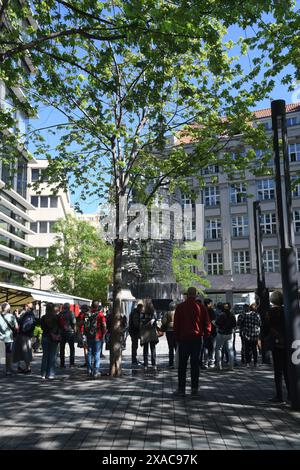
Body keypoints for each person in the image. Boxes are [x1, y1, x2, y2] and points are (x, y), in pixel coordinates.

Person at [173, 287, 211, 397]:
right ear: (195, 294)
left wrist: (176, 337)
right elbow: (207, 323)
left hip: (184, 339)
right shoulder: (201, 307)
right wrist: (206, 335)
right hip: (197, 339)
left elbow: (176, 324)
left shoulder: (180, 307)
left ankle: (181, 389)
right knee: (195, 365)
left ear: (187, 294)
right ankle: (194, 390)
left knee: (182, 365)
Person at [265, 291, 290, 404]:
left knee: (278, 371)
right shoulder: (287, 311)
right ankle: (291, 394)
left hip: (276, 344)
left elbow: (266, 328)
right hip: (288, 343)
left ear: (272, 300)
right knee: (287, 370)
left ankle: (279, 395)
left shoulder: (270, 312)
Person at [84, 304, 106, 378]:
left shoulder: (87, 314)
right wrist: (104, 332)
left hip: (89, 336)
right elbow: (103, 324)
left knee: (89, 352)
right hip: (97, 336)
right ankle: (96, 370)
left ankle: (89, 369)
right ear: (97, 307)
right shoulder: (100, 315)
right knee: (97, 353)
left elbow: (84, 324)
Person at [13, 303, 36, 373]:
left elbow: (24, 325)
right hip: (25, 335)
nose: (24, 307)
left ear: (29, 307)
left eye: (26, 306)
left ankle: (27, 367)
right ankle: (24, 367)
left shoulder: (29, 314)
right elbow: (21, 322)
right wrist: (17, 315)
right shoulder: (28, 314)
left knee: (25, 351)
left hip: (25, 335)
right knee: (23, 351)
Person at [40, 303, 60, 379]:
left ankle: (43, 374)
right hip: (54, 338)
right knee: (52, 356)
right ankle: (50, 374)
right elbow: (60, 327)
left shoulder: (43, 317)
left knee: (45, 356)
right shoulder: (57, 317)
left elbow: (42, 328)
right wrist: (57, 335)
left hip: (45, 337)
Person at [238, 303, 261, 368]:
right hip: (254, 334)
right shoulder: (257, 315)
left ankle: (247, 363)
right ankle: (255, 363)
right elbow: (260, 323)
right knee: (254, 349)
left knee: (247, 349)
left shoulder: (243, 315)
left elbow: (239, 323)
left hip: (246, 335)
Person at [215, 303, 236, 371]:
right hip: (229, 334)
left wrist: (214, 323)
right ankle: (231, 366)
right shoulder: (232, 315)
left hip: (221, 333)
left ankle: (219, 365)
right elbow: (234, 324)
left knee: (218, 349)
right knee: (230, 350)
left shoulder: (221, 315)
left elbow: (217, 323)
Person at [0, 302, 19, 376]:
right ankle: (8, 370)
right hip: (9, 338)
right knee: (8, 354)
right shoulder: (12, 316)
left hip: (0, 338)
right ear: (8, 308)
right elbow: (17, 328)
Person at [140, 301, 159, 371]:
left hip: (145, 333)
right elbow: (156, 321)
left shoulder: (142, 313)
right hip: (152, 332)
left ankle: (145, 364)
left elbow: (140, 322)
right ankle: (154, 364)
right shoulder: (154, 313)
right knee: (153, 349)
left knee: (145, 349)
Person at [58, 303, 76, 368]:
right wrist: (75, 330)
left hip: (62, 332)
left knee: (62, 348)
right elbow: (74, 322)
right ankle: (72, 363)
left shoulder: (60, 314)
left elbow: (58, 323)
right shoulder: (71, 313)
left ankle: (62, 364)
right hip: (70, 332)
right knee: (71, 348)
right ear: (69, 307)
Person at [161, 301, 176, 368]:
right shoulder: (177, 313)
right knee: (177, 347)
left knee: (170, 348)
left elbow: (163, 322)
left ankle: (171, 363)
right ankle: (178, 362)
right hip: (176, 331)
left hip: (169, 331)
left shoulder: (166, 313)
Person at [203, 298, 217, 368]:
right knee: (212, 347)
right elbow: (214, 321)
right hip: (212, 331)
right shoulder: (211, 310)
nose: (211, 305)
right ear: (208, 304)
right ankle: (211, 362)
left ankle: (205, 362)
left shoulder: (202, 310)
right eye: (211, 303)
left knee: (205, 347)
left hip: (204, 332)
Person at [128, 301, 144, 366]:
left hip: (134, 331)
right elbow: (136, 324)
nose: (142, 310)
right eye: (141, 308)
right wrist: (141, 326)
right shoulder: (135, 313)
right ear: (139, 307)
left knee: (135, 346)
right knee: (135, 346)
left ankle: (134, 359)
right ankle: (134, 360)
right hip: (134, 331)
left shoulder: (135, 312)